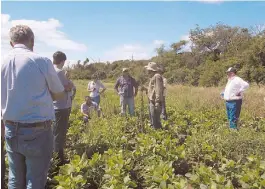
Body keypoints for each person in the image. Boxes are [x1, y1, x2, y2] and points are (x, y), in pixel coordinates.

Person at [1, 25, 64, 189]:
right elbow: (58, 94)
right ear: (32, 41)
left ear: (11, 42)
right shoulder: (41, 61)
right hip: (37, 130)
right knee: (35, 180)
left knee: (15, 178)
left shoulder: (2, 62)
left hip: (10, 129)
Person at [52, 51, 74, 165]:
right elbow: (68, 87)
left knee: (56, 132)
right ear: (63, 61)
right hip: (62, 107)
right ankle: (58, 160)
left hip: (55, 106)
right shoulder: (60, 72)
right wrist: (69, 84)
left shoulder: (51, 70)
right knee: (59, 134)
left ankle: (56, 158)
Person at [145, 62, 164, 129]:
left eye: (148, 70)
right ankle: (156, 133)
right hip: (152, 101)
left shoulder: (157, 76)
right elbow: (153, 88)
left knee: (155, 120)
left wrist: (157, 102)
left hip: (155, 102)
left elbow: (158, 89)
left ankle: (158, 135)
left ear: (151, 70)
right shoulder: (153, 77)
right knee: (153, 119)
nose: (147, 71)